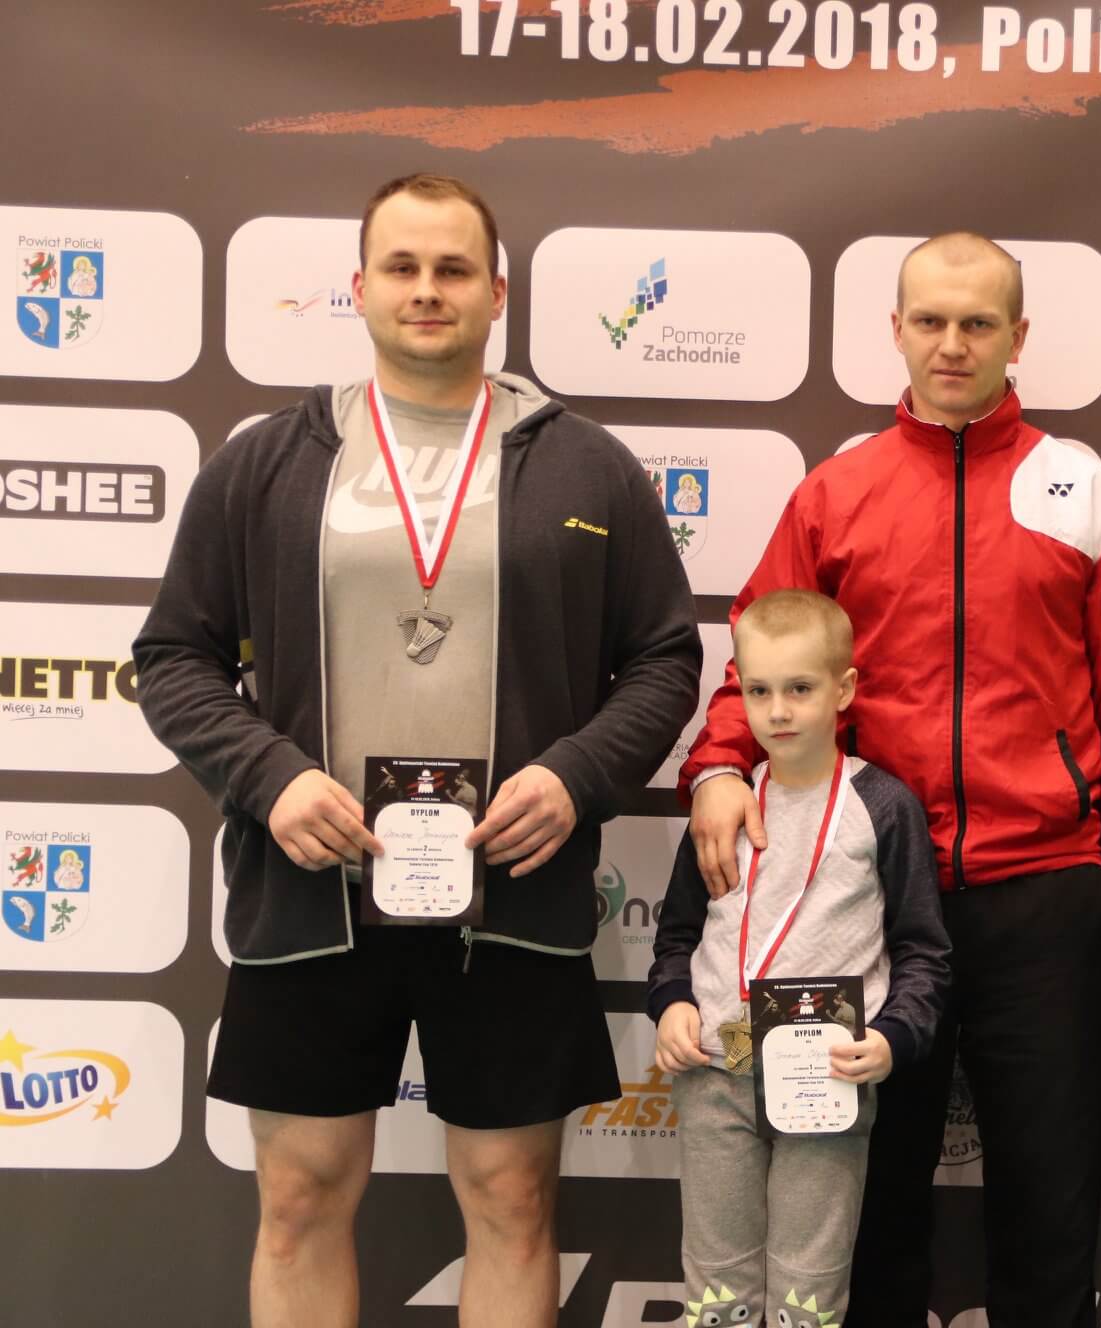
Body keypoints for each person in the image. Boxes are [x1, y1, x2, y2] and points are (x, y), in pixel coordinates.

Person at [133, 172, 703, 1328]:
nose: (427, 289)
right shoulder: (268, 459)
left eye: (453, 268)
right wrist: (272, 776)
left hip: (515, 889)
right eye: (402, 266)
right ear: (360, 287)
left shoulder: (586, 465)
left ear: (498, 292)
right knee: (298, 1199)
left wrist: (574, 776)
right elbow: (174, 656)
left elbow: (663, 659)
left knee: (513, 1200)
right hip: (310, 891)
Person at [679, 232, 1101, 1327]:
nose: (954, 344)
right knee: (867, 1200)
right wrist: (717, 763)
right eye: (932, 321)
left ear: (1017, 336)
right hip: (868, 891)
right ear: (896, 330)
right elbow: (762, 651)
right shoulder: (837, 492)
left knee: (1049, 1197)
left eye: (978, 323)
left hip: (1043, 887)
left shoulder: (1081, 490)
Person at [649, 590, 949, 1324]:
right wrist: (673, 1002)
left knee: (808, 1292)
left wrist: (894, 1036)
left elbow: (923, 952)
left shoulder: (883, 807)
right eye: (758, 691)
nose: (777, 711)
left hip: (826, 1080)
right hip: (715, 1077)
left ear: (843, 690)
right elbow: (677, 936)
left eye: (800, 689)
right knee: (717, 1289)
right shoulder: (723, 806)